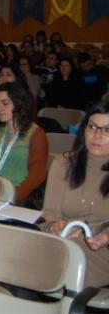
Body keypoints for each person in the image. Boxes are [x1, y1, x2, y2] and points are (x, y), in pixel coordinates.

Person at [42, 102, 109, 287]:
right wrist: (55, 224)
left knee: (36, 267)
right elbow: (49, 211)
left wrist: (105, 236)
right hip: (60, 241)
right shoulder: (63, 163)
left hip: (99, 252)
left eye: (107, 130)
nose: (97, 135)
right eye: (92, 126)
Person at [0, 82, 49, 205]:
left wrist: (15, 194)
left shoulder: (36, 134)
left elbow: (38, 174)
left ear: (18, 104)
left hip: (20, 196)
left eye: (5, 103)